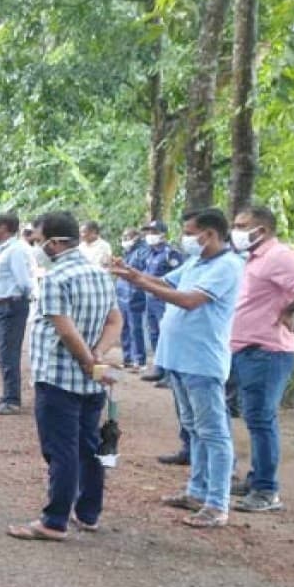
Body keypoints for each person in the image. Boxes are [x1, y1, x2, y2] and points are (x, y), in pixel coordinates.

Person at [113, 208, 244, 528]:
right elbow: (166, 281)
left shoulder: (227, 266)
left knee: (213, 432)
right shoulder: (198, 262)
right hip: (179, 359)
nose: (185, 238)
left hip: (202, 360)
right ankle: (197, 490)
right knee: (194, 428)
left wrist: (143, 284)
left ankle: (217, 502)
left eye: (190, 231)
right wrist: (134, 275)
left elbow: (187, 299)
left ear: (210, 234)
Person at [7, 211, 122, 541]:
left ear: (55, 243)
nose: (36, 245)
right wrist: (98, 356)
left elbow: (66, 331)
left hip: (59, 378)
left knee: (61, 449)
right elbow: (115, 321)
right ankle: (88, 513)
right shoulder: (99, 274)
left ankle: (54, 521)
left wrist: (87, 359)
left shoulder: (56, 278)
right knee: (88, 447)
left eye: (39, 240)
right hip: (91, 380)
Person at [227, 206, 294, 513]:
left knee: (261, 419)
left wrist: (290, 309)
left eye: (242, 225)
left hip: (266, 350)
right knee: (255, 418)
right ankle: (257, 479)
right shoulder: (255, 259)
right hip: (247, 349)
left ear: (262, 230)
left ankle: (267, 490)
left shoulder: (278, 255)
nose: (235, 230)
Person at [0, 213, 34, 415]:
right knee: (3, 354)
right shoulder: (5, 249)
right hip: (0, 306)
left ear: (3, 227)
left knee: (8, 354)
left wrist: (16, 300)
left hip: (9, 307)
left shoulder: (16, 251)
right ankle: (7, 395)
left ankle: (12, 399)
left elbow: (24, 281)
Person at [139, 220, 183, 384]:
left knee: (167, 335)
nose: (149, 235)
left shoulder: (170, 253)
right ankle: (159, 368)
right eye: (148, 232)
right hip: (150, 299)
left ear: (163, 234)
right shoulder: (150, 253)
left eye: (153, 232)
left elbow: (177, 279)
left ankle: (170, 374)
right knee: (154, 333)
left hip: (165, 300)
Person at [116, 227, 149, 371]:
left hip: (135, 294)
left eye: (127, 236)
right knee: (124, 327)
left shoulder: (143, 251)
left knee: (135, 327)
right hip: (123, 293)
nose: (124, 239)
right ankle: (127, 357)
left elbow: (141, 272)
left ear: (136, 237)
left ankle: (139, 359)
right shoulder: (128, 251)